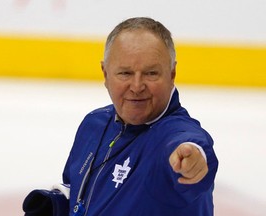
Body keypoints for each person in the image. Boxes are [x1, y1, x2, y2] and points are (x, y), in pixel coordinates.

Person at [23, 17, 218, 216]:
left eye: (151, 73)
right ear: (105, 74)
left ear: (172, 74)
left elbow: (191, 145)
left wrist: (195, 158)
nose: (136, 86)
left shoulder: (172, 136)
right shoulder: (94, 124)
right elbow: (82, 195)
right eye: (125, 73)